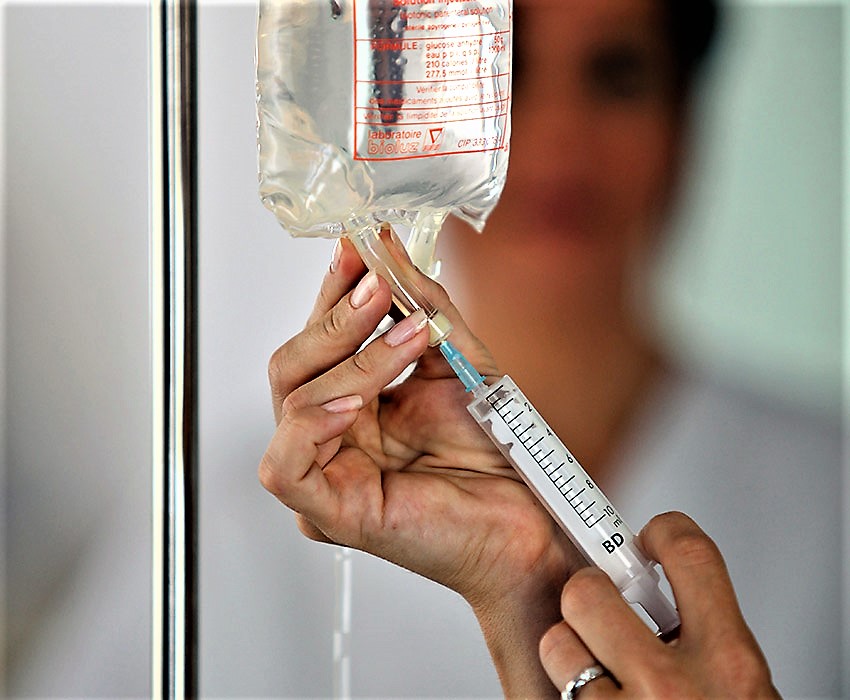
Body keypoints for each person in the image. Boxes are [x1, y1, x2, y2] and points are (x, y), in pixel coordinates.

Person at [260, 0, 842, 696]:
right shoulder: (231, 538)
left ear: (683, 122)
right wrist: (518, 585)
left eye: (617, 76)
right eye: (505, 75)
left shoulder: (834, 494)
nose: (562, 133)